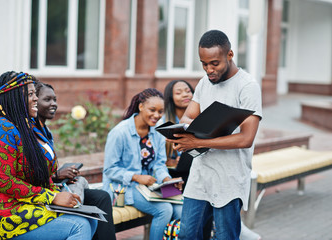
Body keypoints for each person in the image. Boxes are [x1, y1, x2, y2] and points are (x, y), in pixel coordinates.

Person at [0, 71, 97, 239]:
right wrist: (53, 196)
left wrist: (56, 191)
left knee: (91, 220)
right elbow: (5, 181)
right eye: (31, 94)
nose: (35, 99)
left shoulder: (25, 126)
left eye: (35, 94)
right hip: (4, 211)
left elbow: (35, 172)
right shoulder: (1, 129)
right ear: (15, 98)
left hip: (27, 203)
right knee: (79, 226)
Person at [167, 30, 263, 240]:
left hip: (230, 177)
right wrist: (183, 136)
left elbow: (246, 139)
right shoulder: (204, 82)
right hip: (200, 174)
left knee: (225, 236)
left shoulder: (247, 86)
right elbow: (186, 119)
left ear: (230, 55)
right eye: (204, 63)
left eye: (214, 63)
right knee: (187, 234)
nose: (209, 69)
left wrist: (199, 139)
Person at [35, 81, 116, 240]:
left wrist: (61, 176)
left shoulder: (46, 132)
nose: (54, 104)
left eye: (55, 100)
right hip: (43, 193)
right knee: (85, 218)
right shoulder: (28, 133)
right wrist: (55, 176)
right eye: (47, 100)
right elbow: (29, 177)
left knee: (102, 197)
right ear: (33, 101)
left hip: (54, 184)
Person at [102, 88, 183, 240]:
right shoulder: (120, 132)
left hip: (149, 187)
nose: (156, 115)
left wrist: (166, 180)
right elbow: (110, 170)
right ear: (141, 106)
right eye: (152, 110)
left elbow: (159, 165)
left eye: (160, 112)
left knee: (180, 209)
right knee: (164, 210)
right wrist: (136, 177)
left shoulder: (156, 133)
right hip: (122, 189)